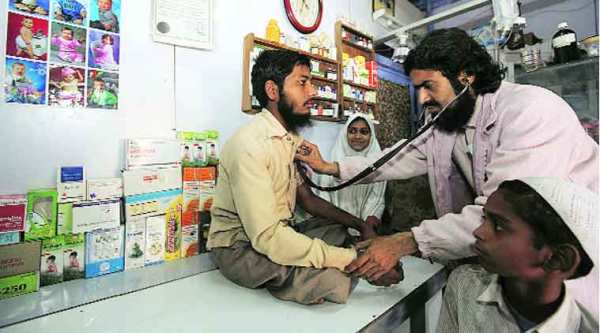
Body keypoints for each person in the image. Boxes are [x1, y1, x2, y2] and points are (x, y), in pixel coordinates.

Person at [295, 28, 598, 305]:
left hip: (575, 254)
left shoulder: (531, 112)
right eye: (417, 88)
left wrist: (405, 242)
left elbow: (507, 215)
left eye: (428, 86)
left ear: (466, 77)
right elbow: (397, 157)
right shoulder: (444, 120)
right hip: (523, 261)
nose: (422, 98)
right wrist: (330, 166)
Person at [207, 49, 400, 306]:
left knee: (337, 228)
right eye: (302, 83)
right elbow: (269, 239)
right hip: (241, 249)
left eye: (311, 82)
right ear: (273, 91)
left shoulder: (289, 141)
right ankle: (330, 276)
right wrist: (351, 258)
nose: (312, 92)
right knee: (331, 279)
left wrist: (359, 224)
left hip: (280, 233)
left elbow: (308, 200)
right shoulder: (249, 146)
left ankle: (325, 270)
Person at [438, 178, 598, 332]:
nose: (478, 232)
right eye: (484, 218)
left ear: (558, 259)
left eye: (499, 226)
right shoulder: (465, 284)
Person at [312, 114, 387, 233]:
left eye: (364, 132)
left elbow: (376, 199)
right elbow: (323, 197)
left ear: (371, 136)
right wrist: (337, 226)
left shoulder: (378, 164)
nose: (358, 136)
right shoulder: (331, 162)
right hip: (333, 225)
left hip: (365, 228)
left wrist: (365, 227)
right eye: (352, 131)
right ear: (345, 134)